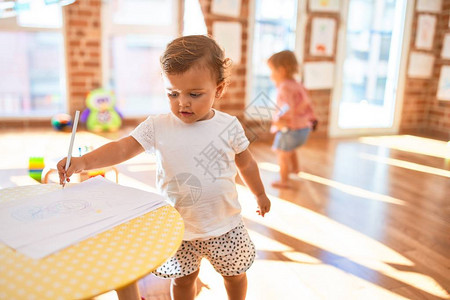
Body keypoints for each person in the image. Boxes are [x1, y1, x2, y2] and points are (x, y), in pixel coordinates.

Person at [57, 35, 271, 300]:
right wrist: (82, 162)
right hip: (178, 227)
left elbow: (246, 162)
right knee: (183, 281)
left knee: (235, 275)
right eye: (173, 93)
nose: (182, 102)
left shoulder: (229, 126)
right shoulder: (157, 126)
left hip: (225, 225)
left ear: (219, 89)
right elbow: (123, 147)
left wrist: (259, 194)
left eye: (194, 94)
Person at [267, 50, 317, 189]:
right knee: (291, 148)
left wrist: (279, 119)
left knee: (282, 154)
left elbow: (286, 107)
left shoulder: (284, 87)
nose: (270, 75)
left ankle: (284, 180)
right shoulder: (297, 84)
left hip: (291, 128)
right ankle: (295, 169)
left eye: (272, 71)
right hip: (303, 129)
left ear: (281, 70)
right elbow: (307, 104)